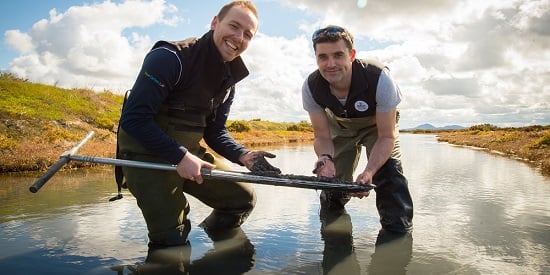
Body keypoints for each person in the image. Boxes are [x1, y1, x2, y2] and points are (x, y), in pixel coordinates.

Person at [117, 1, 280, 249]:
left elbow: (215, 132)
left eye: (248, 34)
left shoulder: (229, 79)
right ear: (215, 22)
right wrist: (180, 156)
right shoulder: (169, 57)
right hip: (146, 156)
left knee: (242, 199)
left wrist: (243, 156)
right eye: (234, 26)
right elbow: (134, 120)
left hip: (190, 154)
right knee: (172, 239)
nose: (239, 37)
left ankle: (218, 249)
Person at [302, 25, 413, 234]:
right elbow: (322, 135)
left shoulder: (380, 78)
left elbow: (387, 136)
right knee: (332, 185)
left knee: (389, 175)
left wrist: (369, 171)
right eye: (323, 57)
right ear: (316, 59)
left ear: (351, 55)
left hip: (378, 129)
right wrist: (325, 159)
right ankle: (333, 233)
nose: (331, 64)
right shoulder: (311, 86)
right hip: (339, 127)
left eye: (338, 55)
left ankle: (397, 235)